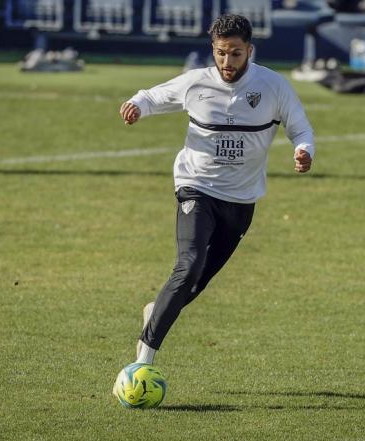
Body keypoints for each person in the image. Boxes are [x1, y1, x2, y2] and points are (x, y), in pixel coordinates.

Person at [119, 14, 315, 366]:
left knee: (195, 284)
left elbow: (301, 129)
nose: (227, 62)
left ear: (250, 51)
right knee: (189, 265)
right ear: (213, 49)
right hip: (197, 188)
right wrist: (137, 106)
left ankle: (156, 308)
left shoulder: (273, 86)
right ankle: (143, 361)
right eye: (221, 53)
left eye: (236, 54)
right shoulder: (196, 83)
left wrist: (304, 151)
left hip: (241, 201)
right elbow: (153, 96)